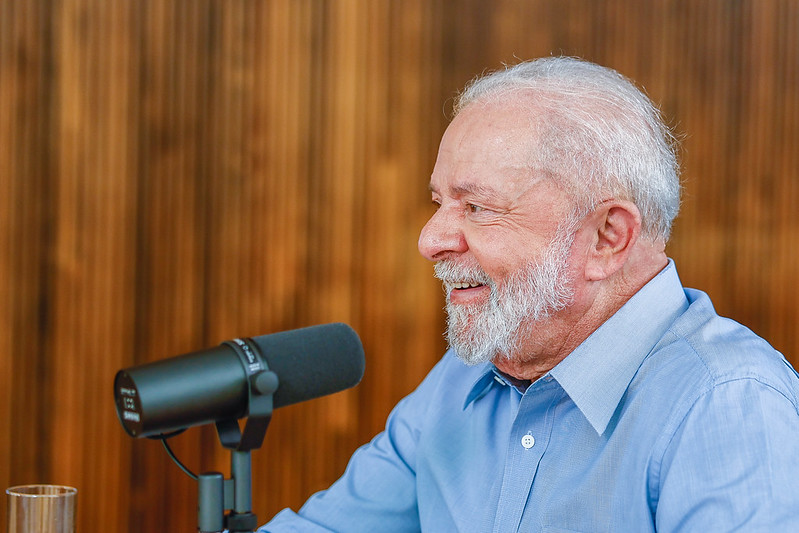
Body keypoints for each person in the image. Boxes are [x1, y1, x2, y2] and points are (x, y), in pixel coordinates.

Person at [260, 57, 799, 532]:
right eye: (440, 203)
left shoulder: (728, 403)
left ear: (607, 237)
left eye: (478, 208)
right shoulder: (464, 376)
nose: (429, 240)